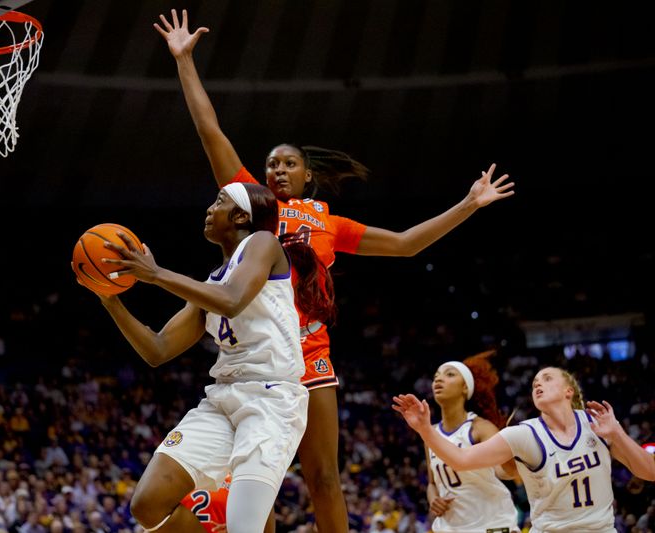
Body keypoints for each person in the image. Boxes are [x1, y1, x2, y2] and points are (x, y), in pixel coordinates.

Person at [154, 9, 516, 532]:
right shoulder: (252, 205)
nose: (276, 169)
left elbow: (407, 244)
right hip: (254, 356)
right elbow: (209, 129)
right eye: (271, 162)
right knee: (255, 476)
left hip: (307, 350)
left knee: (322, 475)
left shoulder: (327, 222)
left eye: (287, 163)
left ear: (307, 176)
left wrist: (468, 204)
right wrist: (185, 61)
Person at [77, 182, 334, 533]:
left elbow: (232, 299)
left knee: (245, 527)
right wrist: (109, 299)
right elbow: (157, 349)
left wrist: (155, 275)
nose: (209, 209)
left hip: (271, 400)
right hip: (223, 399)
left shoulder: (263, 243)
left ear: (242, 215)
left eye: (219, 202)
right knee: (148, 503)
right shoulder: (210, 283)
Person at [393, 367, 655, 532]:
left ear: (568, 391)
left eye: (547, 378)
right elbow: (462, 459)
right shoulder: (524, 434)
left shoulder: (598, 425)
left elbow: (649, 471)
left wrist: (617, 433)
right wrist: (425, 429)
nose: (538, 384)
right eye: (534, 383)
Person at [425, 351, 520, 533]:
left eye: (449, 374)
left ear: (465, 388)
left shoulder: (480, 428)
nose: (439, 379)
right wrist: (433, 499)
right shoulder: (430, 433)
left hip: (491, 524)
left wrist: (513, 458)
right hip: (451, 527)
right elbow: (432, 483)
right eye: (436, 376)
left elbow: (504, 472)